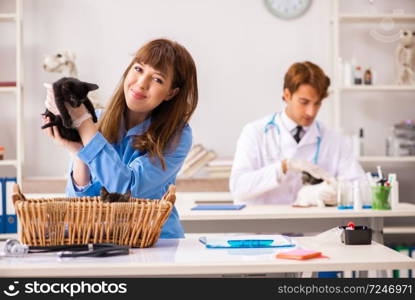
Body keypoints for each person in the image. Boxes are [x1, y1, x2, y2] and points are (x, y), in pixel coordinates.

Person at [42, 39, 198, 238]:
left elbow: (126, 189)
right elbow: (79, 206)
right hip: (103, 243)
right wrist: (77, 152)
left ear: (171, 93)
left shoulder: (177, 135)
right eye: (138, 69)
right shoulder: (95, 120)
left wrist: (83, 122)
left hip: (157, 245)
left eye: (157, 79)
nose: (141, 84)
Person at [229, 61, 365, 205]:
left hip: (313, 226)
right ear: (287, 95)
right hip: (265, 226)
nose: (311, 112)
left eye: (317, 103)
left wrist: (338, 193)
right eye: (304, 102)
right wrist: (282, 167)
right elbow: (238, 188)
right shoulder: (255, 132)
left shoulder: (333, 139)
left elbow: (359, 186)